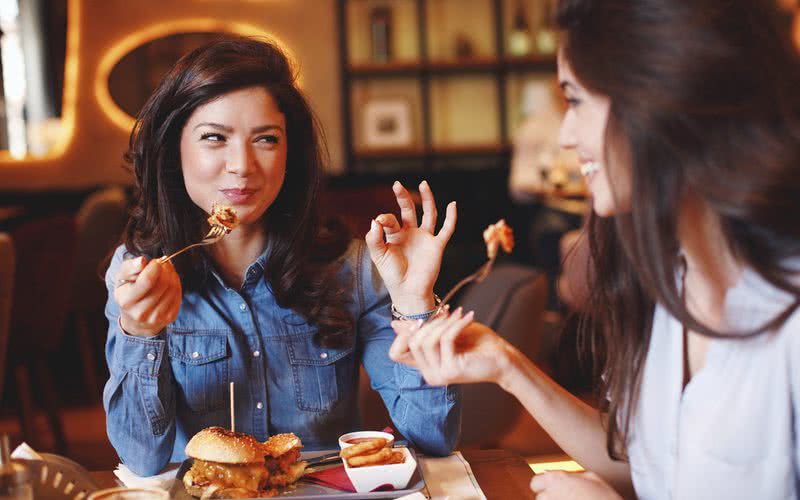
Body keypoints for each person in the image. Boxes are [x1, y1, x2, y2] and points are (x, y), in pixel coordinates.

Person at [390, 0, 800, 498]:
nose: (565, 136)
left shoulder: (787, 316)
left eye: (577, 101)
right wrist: (508, 366)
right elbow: (649, 467)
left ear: (659, 102)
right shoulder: (671, 280)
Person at [103, 35, 460, 476]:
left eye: (266, 140)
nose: (242, 165)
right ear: (174, 150)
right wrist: (139, 331)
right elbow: (140, 458)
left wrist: (415, 302)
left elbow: (432, 438)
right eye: (214, 138)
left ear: (291, 154)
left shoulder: (350, 268)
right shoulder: (139, 274)